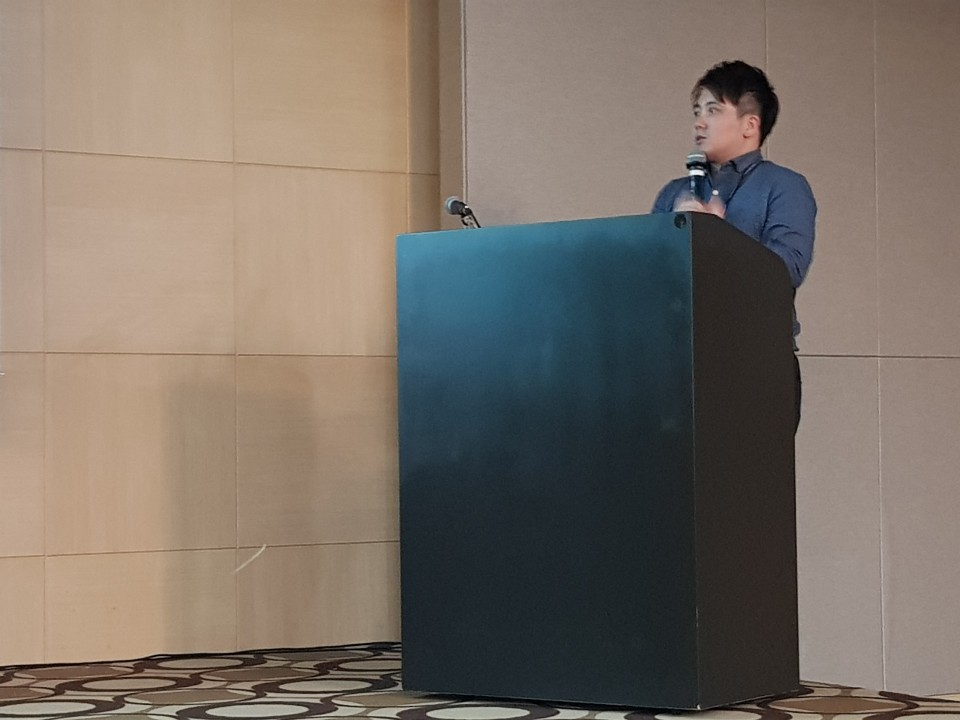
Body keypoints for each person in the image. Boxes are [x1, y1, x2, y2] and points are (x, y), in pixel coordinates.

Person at [652, 60, 816, 431]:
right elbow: (649, 276)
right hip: (678, 362)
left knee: (752, 466)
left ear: (750, 124)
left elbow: (787, 269)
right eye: (697, 112)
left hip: (756, 361)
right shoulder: (674, 193)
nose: (699, 123)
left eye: (712, 110)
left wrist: (716, 236)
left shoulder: (783, 186)